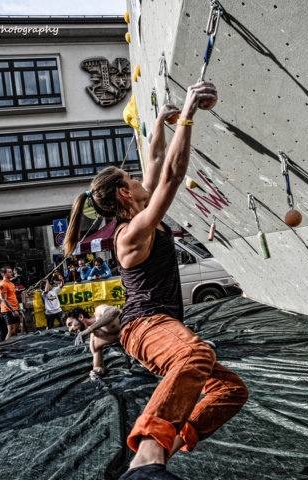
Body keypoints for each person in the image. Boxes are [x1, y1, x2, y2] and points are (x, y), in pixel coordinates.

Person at [63, 83, 248, 479]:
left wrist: (162, 122)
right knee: (195, 357)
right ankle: (144, 459)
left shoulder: (143, 213)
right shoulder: (130, 232)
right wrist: (187, 116)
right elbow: (172, 176)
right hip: (143, 325)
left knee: (230, 390)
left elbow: (157, 158)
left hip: (163, 324)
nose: (140, 178)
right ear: (123, 193)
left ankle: (166, 453)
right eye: (132, 178)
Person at [63, 304, 121, 380]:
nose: (70, 330)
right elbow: (97, 368)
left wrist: (89, 329)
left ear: (81, 317)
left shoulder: (98, 312)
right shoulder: (94, 341)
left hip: (138, 326)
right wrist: (96, 373)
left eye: (70, 324)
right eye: (68, 327)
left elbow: (114, 311)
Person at [0, 266, 23, 341]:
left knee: (15, 330)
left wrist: (20, 309)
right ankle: (6, 347)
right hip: (8, 310)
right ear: (3, 274)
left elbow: (15, 298)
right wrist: (12, 310)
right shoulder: (2, 285)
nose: (12, 273)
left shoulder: (11, 284)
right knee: (11, 330)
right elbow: (4, 299)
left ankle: (14, 346)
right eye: (9, 272)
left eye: (11, 271)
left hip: (15, 308)